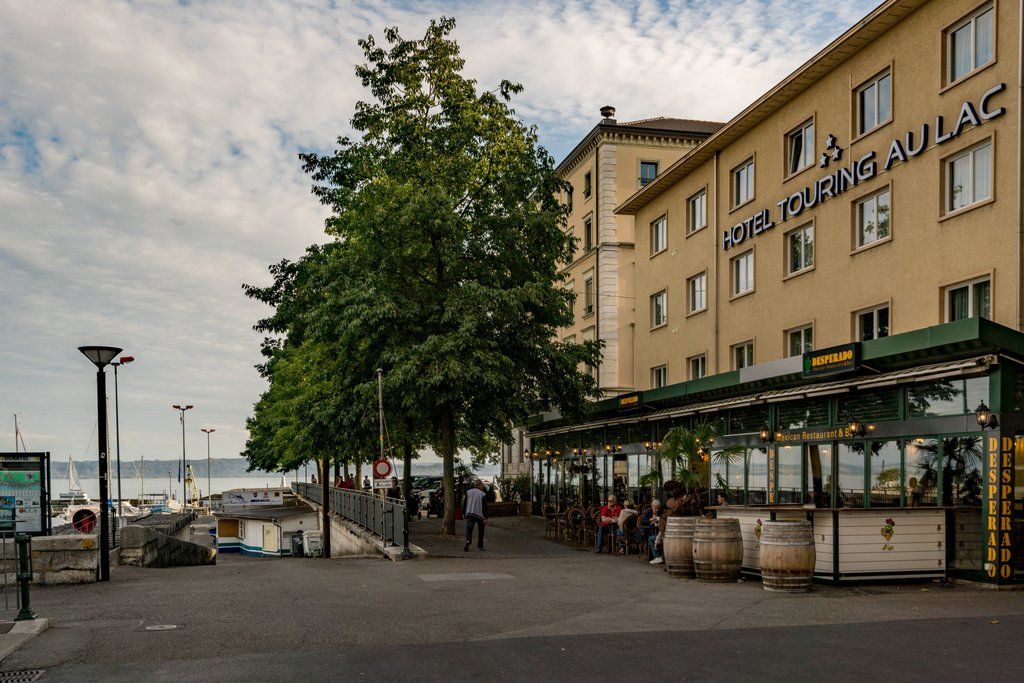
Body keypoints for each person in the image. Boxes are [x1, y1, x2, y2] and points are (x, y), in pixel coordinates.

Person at [464, 480, 487, 551]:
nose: (483, 487)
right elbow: (485, 507)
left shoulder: (468, 492)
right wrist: (486, 517)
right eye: (482, 485)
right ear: (479, 485)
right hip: (479, 515)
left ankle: (468, 541)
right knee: (481, 530)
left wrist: (464, 513)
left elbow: (465, 503)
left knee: (469, 529)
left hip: (470, 513)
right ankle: (480, 546)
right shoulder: (483, 494)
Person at [641, 499, 664, 564]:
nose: (656, 510)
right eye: (655, 508)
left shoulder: (661, 512)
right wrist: (650, 520)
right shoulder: (648, 512)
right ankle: (655, 555)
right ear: (652, 507)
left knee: (652, 538)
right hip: (649, 531)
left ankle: (657, 556)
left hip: (658, 532)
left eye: (658, 508)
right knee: (650, 538)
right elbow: (642, 521)